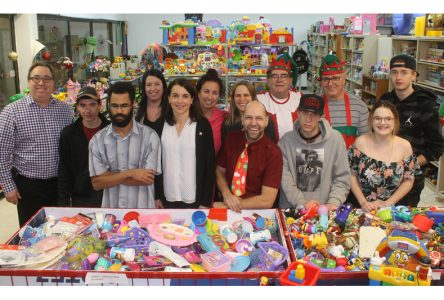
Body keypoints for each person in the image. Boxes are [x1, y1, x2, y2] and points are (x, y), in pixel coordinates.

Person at [0, 62, 73, 226]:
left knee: (61, 230)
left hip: (59, 186)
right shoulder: (11, 112)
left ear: (54, 83)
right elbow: (2, 153)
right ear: (28, 82)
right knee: (31, 234)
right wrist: (8, 186)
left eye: (47, 78)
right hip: (29, 187)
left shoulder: (65, 111)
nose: (41, 83)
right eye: (36, 78)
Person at [381, 54, 444, 206]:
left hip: (411, 180)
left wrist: (406, 165)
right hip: (382, 176)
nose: (398, 77)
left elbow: (436, 147)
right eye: (394, 72)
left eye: (404, 72)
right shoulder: (385, 101)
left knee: (402, 224)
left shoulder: (426, 105)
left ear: (414, 75)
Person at [89, 81, 162, 209]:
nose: (119, 111)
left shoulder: (150, 137)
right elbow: (97, 183)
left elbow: (147, 178)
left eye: (124, 105)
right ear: (108, 105)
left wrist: (109, 176)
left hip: (143, 214)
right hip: (111, 218)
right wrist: (130, 173)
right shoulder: (97, 140)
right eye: (114, 106)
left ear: (133, 105)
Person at [279, 94, 350, 211]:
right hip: (293, 211)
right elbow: (285, 181)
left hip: (326, 212)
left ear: (321, 117)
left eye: (314, 114)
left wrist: (333, 202)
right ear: (298, 113)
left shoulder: (336, 140)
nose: (308, 118)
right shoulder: (285, 142)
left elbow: (342, 178)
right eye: (305, 113)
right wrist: (302, 203)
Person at [348, 100, 421, 212]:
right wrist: (363, 202)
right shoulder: (360, 143)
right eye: (377, 118)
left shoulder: (405, 146)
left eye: (388, 119)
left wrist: (388, 203)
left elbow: (409, 180)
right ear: (371, 121)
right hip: (361, 206)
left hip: (392, 208)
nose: (382, 123)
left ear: (395, 121)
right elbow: (351, 175)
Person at [215, 101, 283, 212]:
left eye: (259, 118)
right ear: (242, 119)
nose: (253, 123)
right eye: (249, 117)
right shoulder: (230, 139)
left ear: (266, 121)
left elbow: (267, 200)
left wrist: (231, 205)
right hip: (226, 204)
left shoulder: (274, 153)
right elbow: (219, 171)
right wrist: (226, 194)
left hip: (256, 212)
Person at [160, 78, 215, 208]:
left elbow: (210, 166)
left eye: (185, 96)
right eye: (175, 96)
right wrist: (157, 196)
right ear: (168, 98)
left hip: (195, 200)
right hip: (167, 199)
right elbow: (156, 166)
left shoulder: (202, 125)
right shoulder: (160, 125)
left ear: (191, 100)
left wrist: (205, 202)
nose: (180, 101)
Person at [58, 86, 110, 207]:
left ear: (100, 105)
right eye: (83, 105)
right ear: (77, 107)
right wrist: (64, 204)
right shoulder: (68, 134)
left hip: (108, 195)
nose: (87, 110)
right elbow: (64, 171)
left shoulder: (111, 131)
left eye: (92, 104)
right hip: (81, 198)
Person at [319, 54, 369, 148]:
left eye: (335, 78)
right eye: (326, 79)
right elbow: (306, 144)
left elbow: (366, 142)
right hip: (322, 161)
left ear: (344, 79)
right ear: (321, 82)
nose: (330, 83)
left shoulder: (359, 107)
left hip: (351, 161)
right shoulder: (313, 107)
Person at [257, 53, 301, 140]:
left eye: (284, 76)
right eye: (274, 76)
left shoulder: (300, 99)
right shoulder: (259, 100)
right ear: (268, 80)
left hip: (295, 152)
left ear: (290, 80)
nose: (279, 80)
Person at [196, 68, 228, 155]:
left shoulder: (224, 117)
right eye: (206, 91)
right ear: (199, 93)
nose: (210, 97)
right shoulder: (189, 115)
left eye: (215, 93)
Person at [134, 68, 168, 137]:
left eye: (157, 84)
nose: (153, 88)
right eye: (149, 85)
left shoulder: (172, 109)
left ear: (163, 86)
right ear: (144, 88)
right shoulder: (136, 112)